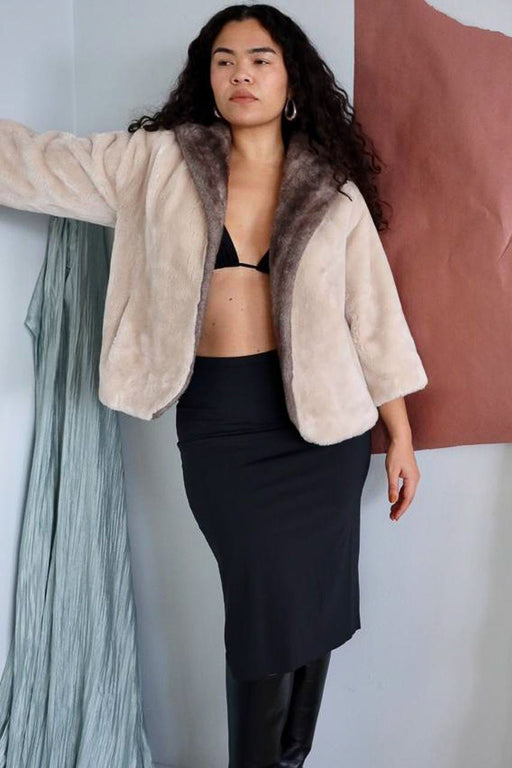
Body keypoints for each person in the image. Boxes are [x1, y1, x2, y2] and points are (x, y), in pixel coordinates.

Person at [0, 4, 428, 767]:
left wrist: (399, 434)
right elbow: (43, 163)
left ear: (291, 80)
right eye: (225, 60)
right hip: (222, 428)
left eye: (260, 59)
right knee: (264, 610)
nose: (241, 74)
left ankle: (286, 758)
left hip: (323, 434)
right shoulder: (158, 164)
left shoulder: (332, 192)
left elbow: (377, 319)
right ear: (208, 77)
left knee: (314, 606)